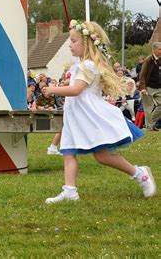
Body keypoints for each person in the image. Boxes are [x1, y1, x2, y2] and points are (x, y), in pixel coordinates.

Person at [42, 20, 155, 204]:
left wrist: (53, 90)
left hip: (89, 116)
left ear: (86, 43)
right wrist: (64, 85)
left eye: (74, 41)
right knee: (68, 151)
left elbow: (77, 90)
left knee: (102, 156)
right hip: (75, 116)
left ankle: (139, 173)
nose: (70, 45)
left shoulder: (88, 66)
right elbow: (76, 86)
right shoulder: (80, 65)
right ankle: (70, 191)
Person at [138, 41, 161, 131]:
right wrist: (143, 88)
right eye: (160, 49)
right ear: (154, 50)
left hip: (159, 87)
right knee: (148, 107)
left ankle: (150, 123)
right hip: (148, 87)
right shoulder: (148, 60)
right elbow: (142, 75)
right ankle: (149, 127)